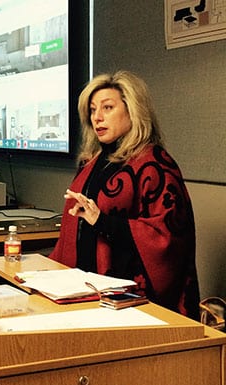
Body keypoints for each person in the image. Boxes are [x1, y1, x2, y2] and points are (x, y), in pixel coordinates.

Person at [49, 70, 200, 319]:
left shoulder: (156, 165)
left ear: (132, 110)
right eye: (92, 109)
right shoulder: (92, 163)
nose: (97, 117)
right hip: (81, 294)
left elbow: (168, 239)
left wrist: (102, 221)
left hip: (129, 306)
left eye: (107, 107)